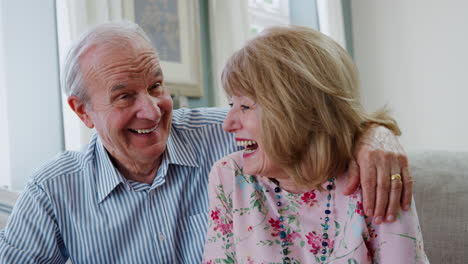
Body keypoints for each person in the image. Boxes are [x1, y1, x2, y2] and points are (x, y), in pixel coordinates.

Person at [0, 22, 412, 263]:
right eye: (125, 96)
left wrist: (374, 134)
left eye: (157, 86)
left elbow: (309, 118)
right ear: (83, 112)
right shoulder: (53, 190)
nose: (152, 109)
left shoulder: (233, 138)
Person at [202, 26, 428, 263]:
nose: (227, 124)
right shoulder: (229, 176)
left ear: (299, 112)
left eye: (245, 106)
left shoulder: (375, 173)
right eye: (231, 105)